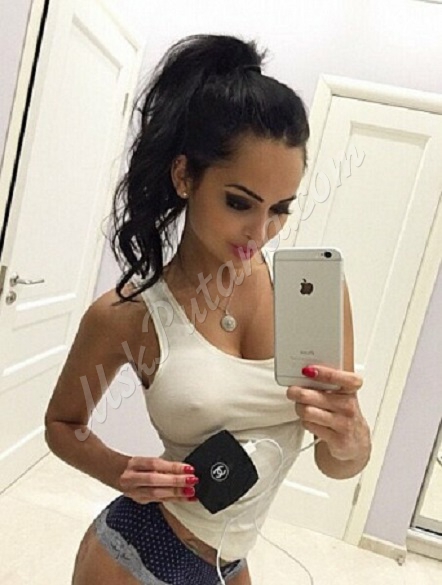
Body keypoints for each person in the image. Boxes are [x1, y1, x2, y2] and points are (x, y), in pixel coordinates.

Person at [44, 34, 371, 585]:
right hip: (130, 557)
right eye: (239, 203)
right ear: (184, 176)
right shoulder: (129, 314)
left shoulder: (316, 297)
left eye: (280, 209)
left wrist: (353, 439)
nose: (259, 232)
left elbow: (335, 463)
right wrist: (120, 470)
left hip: (228, 564)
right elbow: (61, 424)